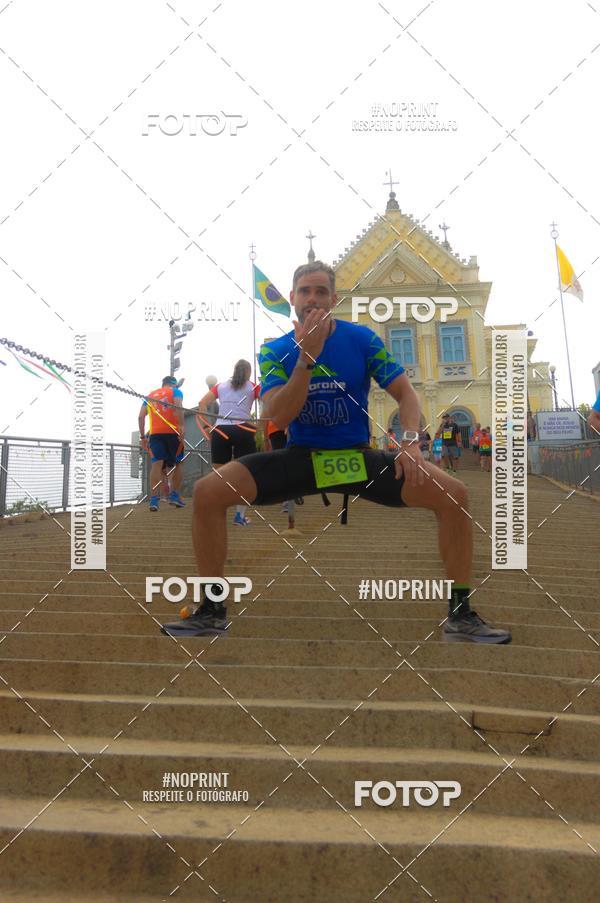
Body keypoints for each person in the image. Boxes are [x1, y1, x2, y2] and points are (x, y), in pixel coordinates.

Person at [162, 261, 510, 644]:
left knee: (454, 494)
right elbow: (279, 414)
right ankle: (212, 609)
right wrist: (306, 358)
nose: (312, 299)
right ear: (292, 298)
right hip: (301, 458)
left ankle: (460, 614)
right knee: (208, 492)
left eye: (321, 292)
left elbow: (406, 393)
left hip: (356, 458)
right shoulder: (276, 350)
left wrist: (411, 443)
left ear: (334, 299)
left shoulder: (362, 339)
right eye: (305, 291)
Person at [197, 359, 260, 526]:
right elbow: (267, 400)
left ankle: (214, 513)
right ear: (248, 371)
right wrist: (261, 426)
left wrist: (206, 426)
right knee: (245, 474)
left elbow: (202, 403)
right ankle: (239, 516)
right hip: (244, 429)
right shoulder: (253, 386)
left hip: (221, 430)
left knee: (219, 475)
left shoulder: (220, 386)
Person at [138, 376, 185, 511]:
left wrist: (143, 437)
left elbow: (141, 416)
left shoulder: (150, 395)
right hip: (173, 432)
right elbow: (178, 406)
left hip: (155, 434)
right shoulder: (176, 392)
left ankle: (153, 500)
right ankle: (174, 496)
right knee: (178, 463)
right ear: (173, 384)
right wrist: (182, 426)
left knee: (156, 465)